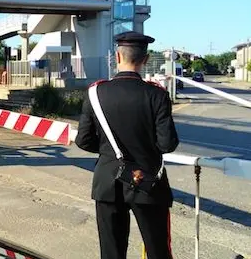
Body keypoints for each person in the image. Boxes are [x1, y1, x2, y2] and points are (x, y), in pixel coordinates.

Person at [75, 31, 179, 259]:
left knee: (112, 252)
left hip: (107, 182)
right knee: (158, 250)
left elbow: (83, 140)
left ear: (117, 57)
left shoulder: (95, 92)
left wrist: (109, 153)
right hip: (147, 183)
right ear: (146, 59)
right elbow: (167, 144)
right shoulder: (157, 94)